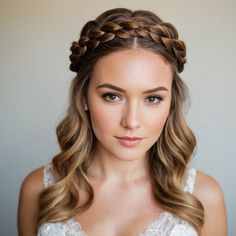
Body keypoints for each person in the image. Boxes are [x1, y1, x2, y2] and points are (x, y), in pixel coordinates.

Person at [17, 7, 227, 236]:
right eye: (112, 96)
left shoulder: (203, 196)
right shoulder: (41, 190)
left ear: (171, 102)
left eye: (153, 98)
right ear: (84, 97)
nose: (132, 121)